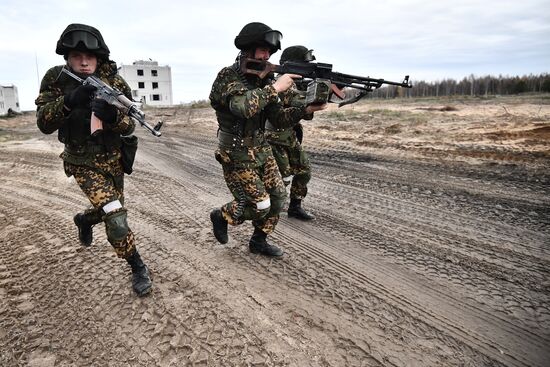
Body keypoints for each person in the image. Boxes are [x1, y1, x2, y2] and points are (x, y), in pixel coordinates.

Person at [35, 23, 152, 296]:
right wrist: (68, 101)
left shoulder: (115, 83)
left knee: (110, 210)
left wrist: (113, 118)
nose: (84, 62)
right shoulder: (56, 79)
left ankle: (85, 220)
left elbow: (129, 125)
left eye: (89, 57)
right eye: (77, 56)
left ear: (99, 58)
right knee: (115, 215)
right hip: (81, 160)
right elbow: (43, 123)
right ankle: (137, 266)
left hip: (113, 160)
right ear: (67, 57)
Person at [209, 22, 325, 257]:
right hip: (236, 151)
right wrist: (276, 88)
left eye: (269, 52)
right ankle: (222, 215)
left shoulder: (263, 81)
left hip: (261, 148)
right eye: (262, 50)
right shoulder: (228, 76)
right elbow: (241, 107)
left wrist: (306, 109)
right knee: (260, 204)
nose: (267, 55)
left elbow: (279, 119)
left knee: (279, 199)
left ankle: (258, 241)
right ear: (248, 49)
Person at [266, 45, 320, 220]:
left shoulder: (295, 83)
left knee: (304, 171)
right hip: (274, 138)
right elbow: (296, 99)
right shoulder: (282, 82)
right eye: (305, 65)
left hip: (289, 136)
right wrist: (319, 91)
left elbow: (305, 114)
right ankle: (267, 212)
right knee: (281, 177)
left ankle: (295, 207)